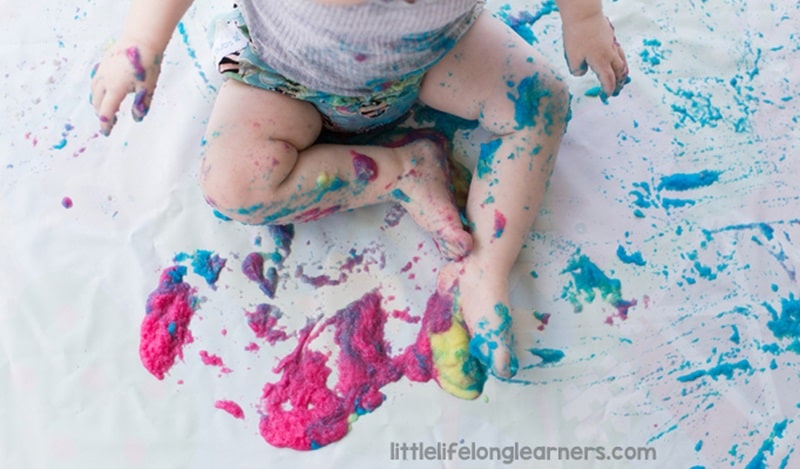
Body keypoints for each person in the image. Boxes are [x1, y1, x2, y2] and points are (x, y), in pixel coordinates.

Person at [90, 0, 628, 384]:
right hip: (284, 74)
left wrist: (582, 17)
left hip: (427, 59)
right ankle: (401, 171)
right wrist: (141, 41)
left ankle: (483, 267)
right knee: (233, 184)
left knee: (543, 103)